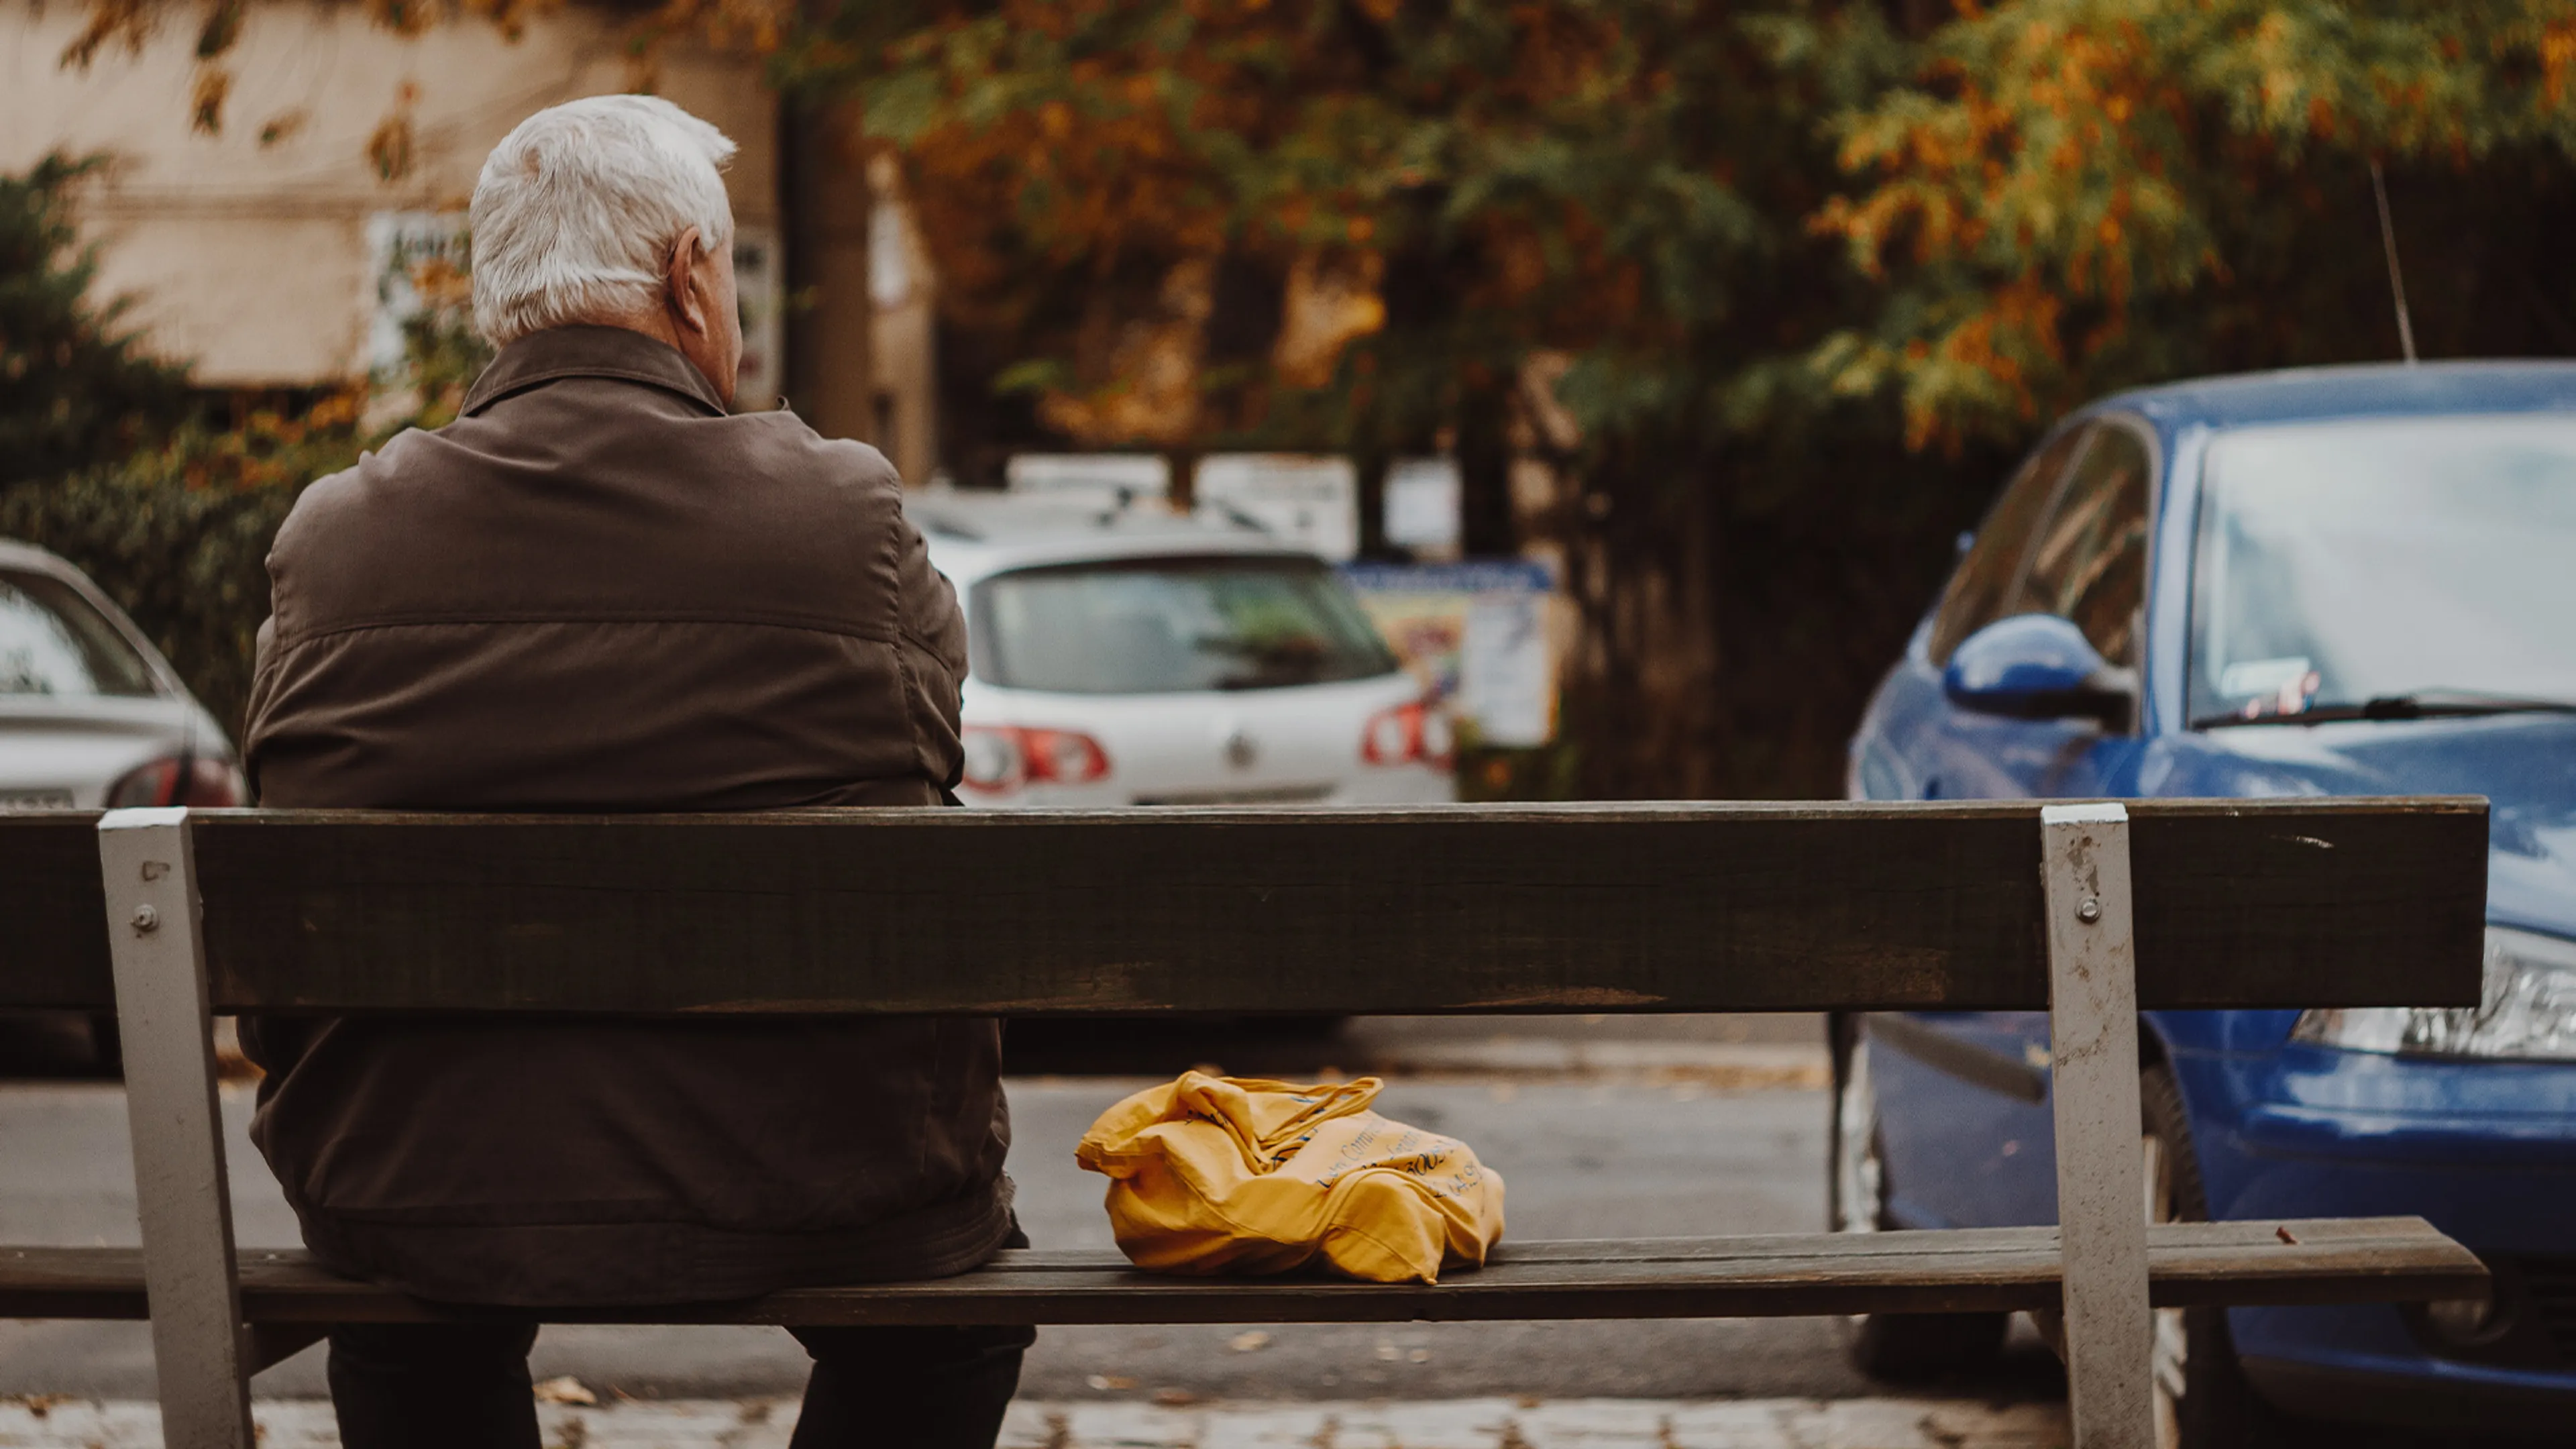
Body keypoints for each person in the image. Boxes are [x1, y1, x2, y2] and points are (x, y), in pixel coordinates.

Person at [239, 95, 1026, 1449]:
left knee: (406, 1312)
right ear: (688, 277)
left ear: (500, 303)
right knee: (948, 1317)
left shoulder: (336, 540)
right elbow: (925, 753)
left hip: (421, 1185)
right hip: (820, 1173)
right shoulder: (841, 516)